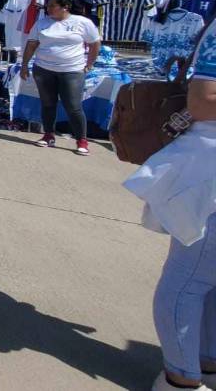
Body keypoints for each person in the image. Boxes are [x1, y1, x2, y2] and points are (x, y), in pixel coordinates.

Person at [132, 21, 216, 391]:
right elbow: (202, 100)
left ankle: (204, 362)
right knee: (192, 276)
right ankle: (181, 377)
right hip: (208, 169)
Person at [19, 0, 101, 155]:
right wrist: (24, 65)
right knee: (48, 103)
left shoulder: (82, 22)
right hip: (43, 69)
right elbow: (31, 44)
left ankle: (81, 140)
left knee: (73, 106)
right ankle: (49, 134)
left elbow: (94, 44)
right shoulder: (41, 23)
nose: (48, 9)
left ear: (65, 7)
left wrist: (89, 64)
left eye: (52, 6)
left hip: (71, 70)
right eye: (47, 6)